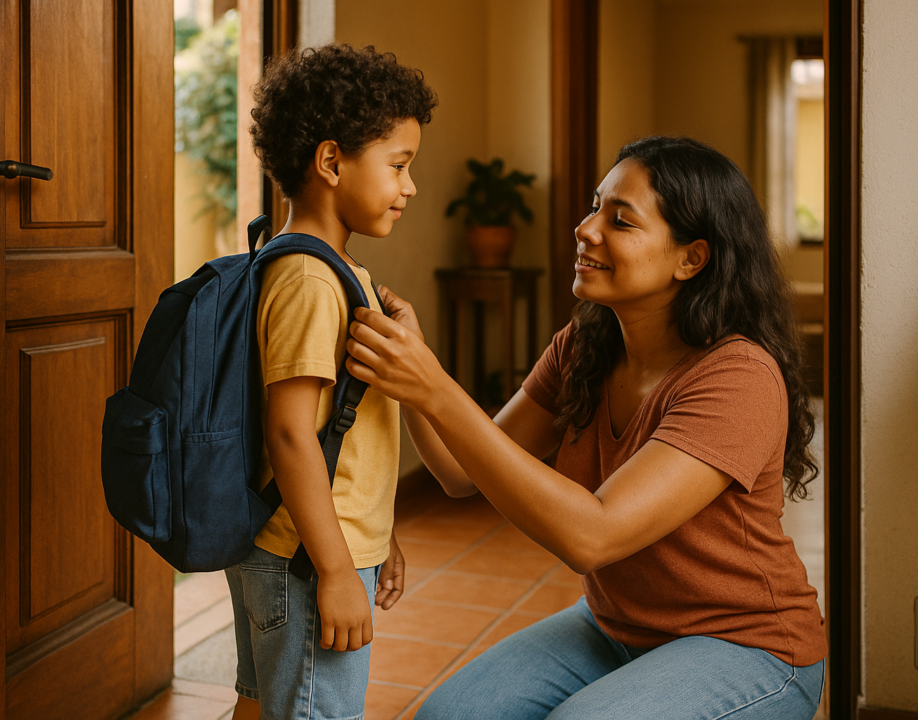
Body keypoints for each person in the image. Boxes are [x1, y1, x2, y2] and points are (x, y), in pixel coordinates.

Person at [345, 136, 828, 719]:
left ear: (691, 258)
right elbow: (456, 473)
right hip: (613, 627)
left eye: (620, 221)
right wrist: (407, 366)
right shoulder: (586, 344)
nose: (586, 229)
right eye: (595, 206)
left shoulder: (738, 377)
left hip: (746, 647)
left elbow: (590, 536)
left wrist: (433, 386)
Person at [224, 44, 437, 720]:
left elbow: (337, 429)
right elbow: (288, 435)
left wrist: (376, 530)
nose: (409, 187)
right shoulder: (312, 282)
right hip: (307, 561)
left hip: (305, 544)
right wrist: (341, 569)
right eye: (399, 166)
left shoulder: (329, 273)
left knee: (261, 707)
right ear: (330, 161)